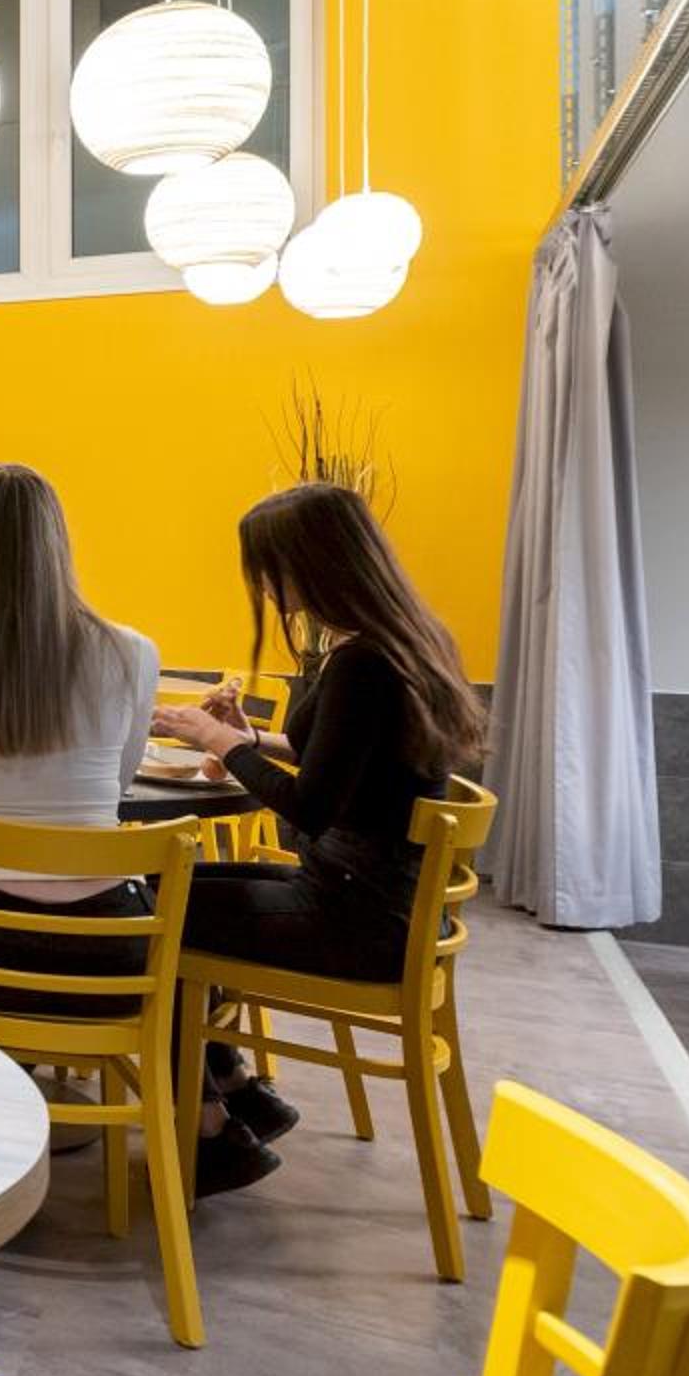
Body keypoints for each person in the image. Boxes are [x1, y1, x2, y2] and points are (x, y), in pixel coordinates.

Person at [0, 465, 225, 1161]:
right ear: (57, 544)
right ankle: (191, 1119)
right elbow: (118, 783)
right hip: (113, 953)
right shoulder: (132, 651)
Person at [151, 481, 484, 1194]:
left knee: (152, 911)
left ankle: (212, 1133)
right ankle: (236, 1089)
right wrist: (249, 739)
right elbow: (343, 761)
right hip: (379, 901)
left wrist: (216, 739)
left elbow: (309, 807)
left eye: (268, 568)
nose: (265, 587)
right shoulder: (405, 643)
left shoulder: (362, 662)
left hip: (354, 914)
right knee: (159, 890)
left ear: (309, 562)